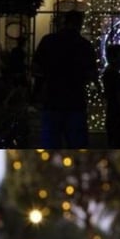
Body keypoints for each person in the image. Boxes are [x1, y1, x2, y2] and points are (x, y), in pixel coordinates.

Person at [32, 10, 98, 148]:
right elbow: (91, 73)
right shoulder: (84, 45)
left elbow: (37, 69)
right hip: (75, 101)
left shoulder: (48, 41)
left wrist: (37, 92)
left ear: (64, 22)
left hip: (52, 99)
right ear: (80, 24)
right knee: (77, 145)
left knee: (50, 144)